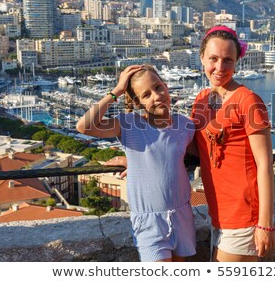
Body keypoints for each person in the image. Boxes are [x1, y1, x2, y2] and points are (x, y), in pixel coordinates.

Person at [76, 64, 196, 262]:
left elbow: (188, 156)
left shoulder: (185, 124)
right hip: (149, 222)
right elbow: (84, 126)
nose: (157, 96)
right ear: (138, 103)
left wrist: (135, 162)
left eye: (158, 87)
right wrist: (117, 90)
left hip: (182, 215)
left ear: (166, 86)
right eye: (146, 95)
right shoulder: (129, 125)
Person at [191, 25, 275, 262]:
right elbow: (184, 146)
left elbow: (265, 164)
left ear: (237, 61)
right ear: (202, 58)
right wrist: (135, 158)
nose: (220, 67)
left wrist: (265, 225)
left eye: (228, 60)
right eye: (214, 59)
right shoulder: (201, 100)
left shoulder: (248, 100)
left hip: (244, 217)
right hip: (217, 214)